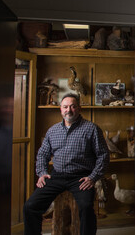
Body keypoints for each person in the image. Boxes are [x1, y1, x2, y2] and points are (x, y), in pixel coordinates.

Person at [23, 93, 109, 235]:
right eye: (65, 107)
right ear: (60, 109)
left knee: (86, 207)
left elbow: (103, 155)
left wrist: (93, 177)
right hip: (56, 177)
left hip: (81, 178)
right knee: (30, 206)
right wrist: (42, 173)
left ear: (79, 108)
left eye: (73, 106)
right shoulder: (53, 130)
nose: (69, 110)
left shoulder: (91, 129)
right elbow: (43, 154)